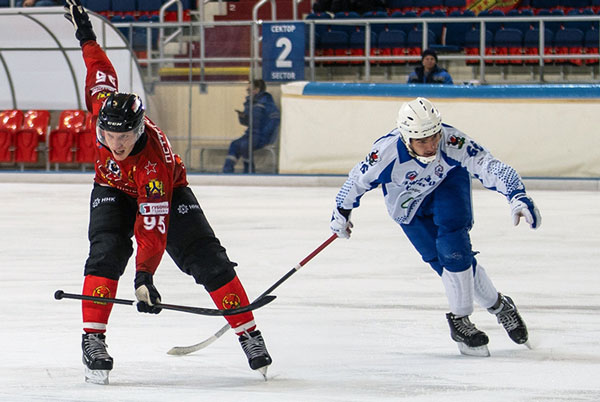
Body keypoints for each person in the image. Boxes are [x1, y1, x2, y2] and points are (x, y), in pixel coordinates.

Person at [63, 0, 271, 385]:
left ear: (139, 129)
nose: (116, 144)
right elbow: (99, 68)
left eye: (125, 137)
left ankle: (249, 334)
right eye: (109, 136)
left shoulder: (153, 165)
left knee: (207, 259)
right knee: (106, 251)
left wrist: (144, 276)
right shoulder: (102, 106)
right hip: (111, 188)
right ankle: (93, 338)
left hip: (167, 191)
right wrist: (86, 34)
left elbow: (152, 228)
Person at [329, 97, 540, 357]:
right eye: (422, 141)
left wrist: (517, 195)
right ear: (406, 138)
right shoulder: (384, 154)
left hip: (446, 185)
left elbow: (489, 165)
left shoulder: (452, 141)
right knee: (448, 265)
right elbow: (355, 182)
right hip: (408, 208)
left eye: (434, 137)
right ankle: (500, 305)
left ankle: (460, 320)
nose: (431, 146)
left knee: (454, 246)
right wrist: (341, 212)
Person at [223, 79, 280, 174]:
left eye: (249, 90)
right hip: (250, 134)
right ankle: (227, 172)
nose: (248, 92)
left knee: (245, 145)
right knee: (234, 144)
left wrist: (264, 134)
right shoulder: (249, 103)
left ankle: (249, 171)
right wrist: (242, 117)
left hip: (262, 136)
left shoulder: (267, 102)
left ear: (257, 90)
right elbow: (247, 123)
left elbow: (274, 120)